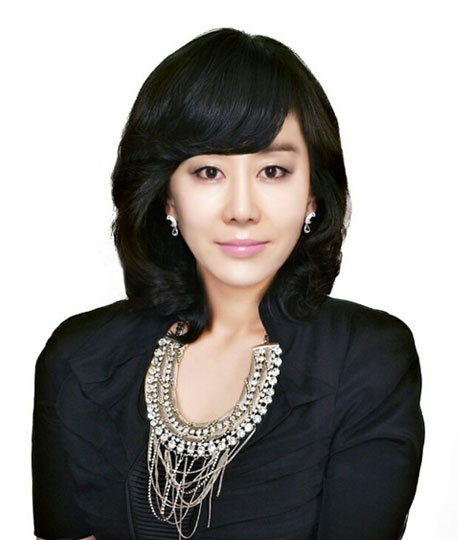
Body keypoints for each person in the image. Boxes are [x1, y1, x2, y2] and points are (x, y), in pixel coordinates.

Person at [31, 27, 425, 540]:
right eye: (209, 172)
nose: (242, 210)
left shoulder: (366, 359)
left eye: (274, 171)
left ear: (312, 193)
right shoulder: (80, 357)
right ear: (167, 196)